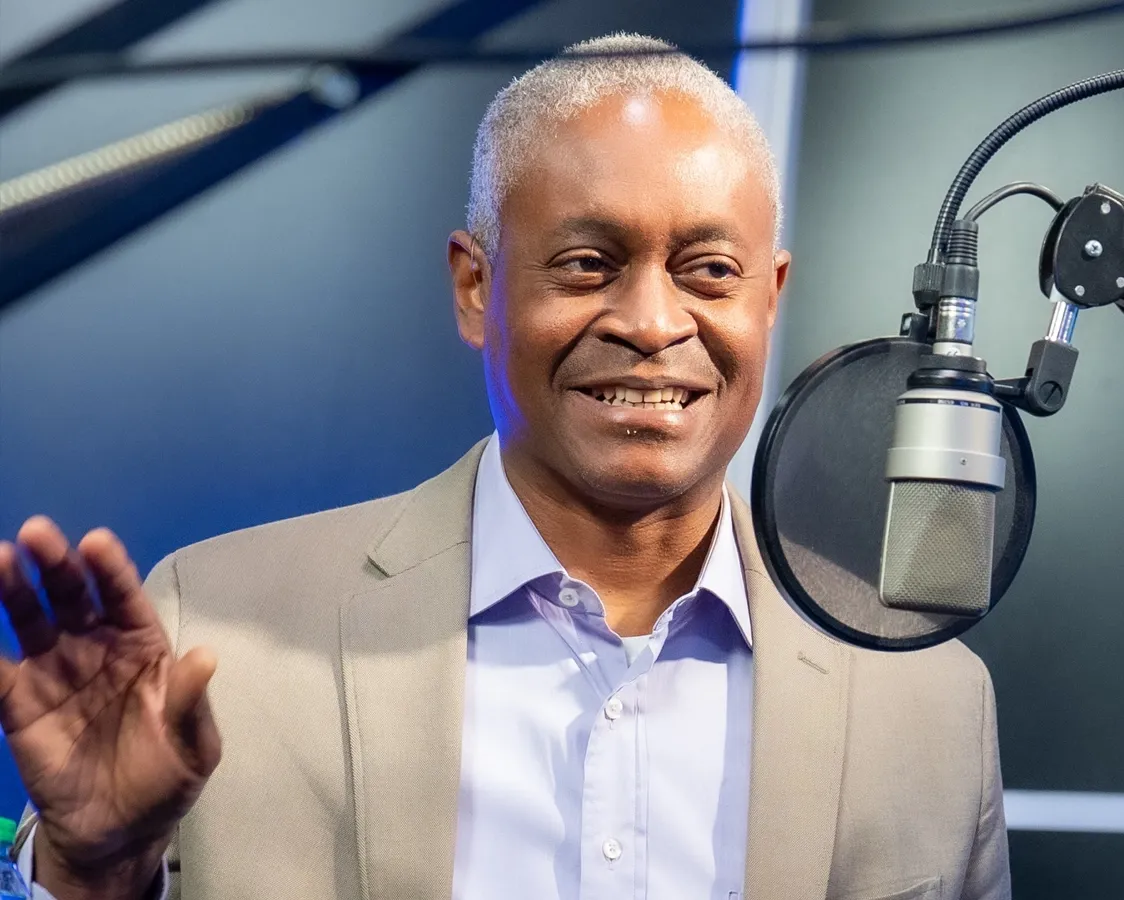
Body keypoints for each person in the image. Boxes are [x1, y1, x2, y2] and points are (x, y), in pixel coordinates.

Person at [0, 33, 1010, 900]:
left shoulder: (927, 698)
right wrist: (91, 874)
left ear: (769, 295)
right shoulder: (213, 631)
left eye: (708, 271)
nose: (654, 324)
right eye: (587, 265)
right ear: (476, 286)